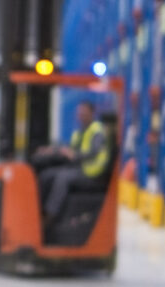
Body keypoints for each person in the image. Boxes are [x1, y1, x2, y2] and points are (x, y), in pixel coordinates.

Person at [33, 98, 113, 230]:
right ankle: (37, 210)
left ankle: (50, 215)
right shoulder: (81, 131)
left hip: (92, 174)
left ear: (92, 113)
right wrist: (51, 150)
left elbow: (93, 152)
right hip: (82, 169)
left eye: (84, 113)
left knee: (63, 178)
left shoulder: (96, 131)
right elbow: (70, 148)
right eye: (79, 113)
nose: (81, 116)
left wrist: (75, 155)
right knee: (47, 175)